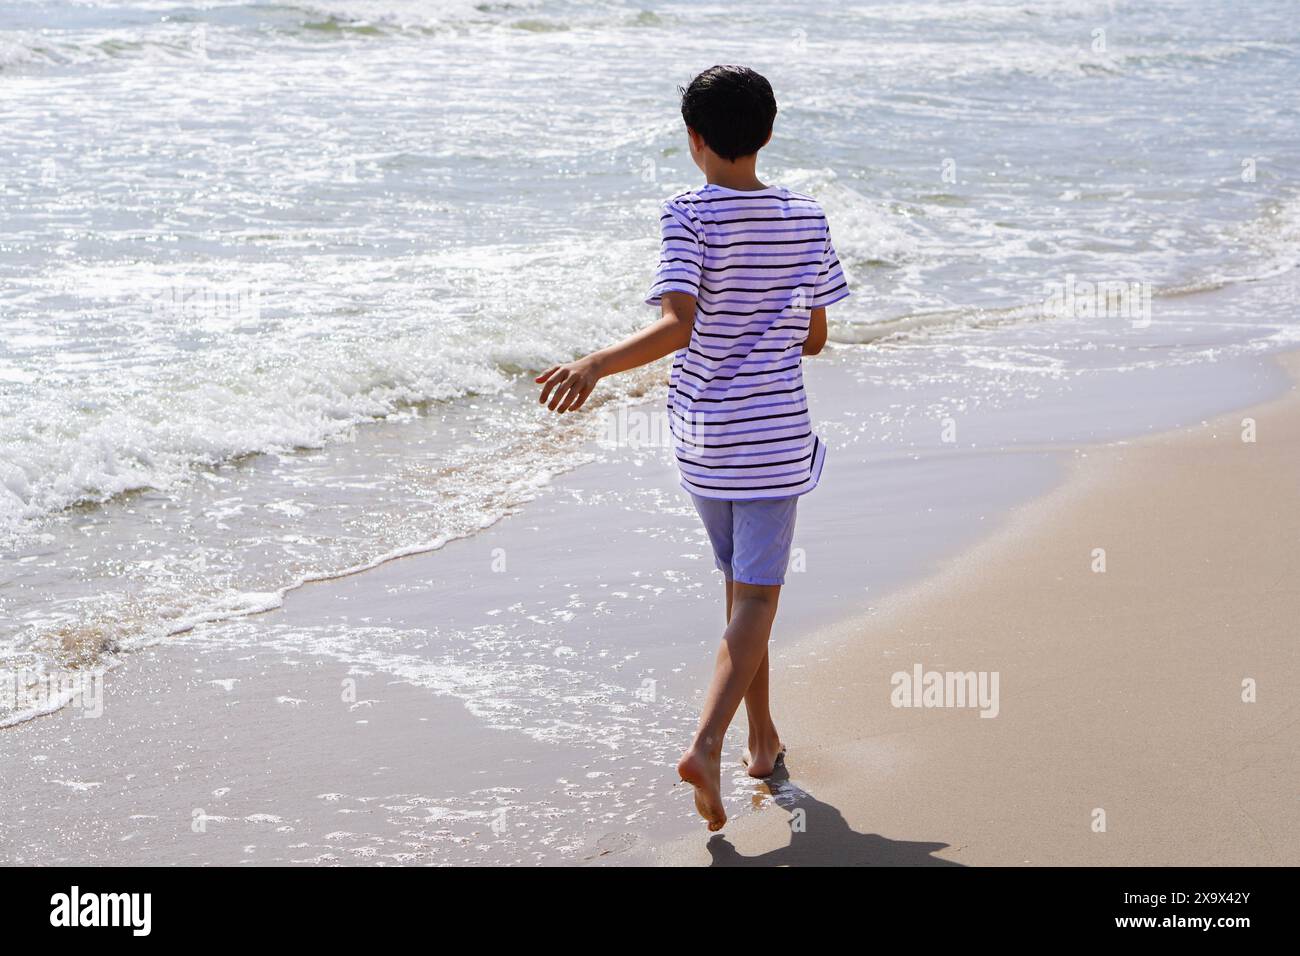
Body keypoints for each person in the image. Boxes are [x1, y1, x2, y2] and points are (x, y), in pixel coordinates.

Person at [536, 64, 850, 830]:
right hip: (771, 437)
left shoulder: (686, 213)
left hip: (705, 439)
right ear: (768, 134)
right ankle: (706, 744)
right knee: (758, 597)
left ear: (694, 139)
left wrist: (594, 364)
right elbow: (815, 336)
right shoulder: (807, 216)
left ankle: (761, 740)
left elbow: (680, 322)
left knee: (744, 593)